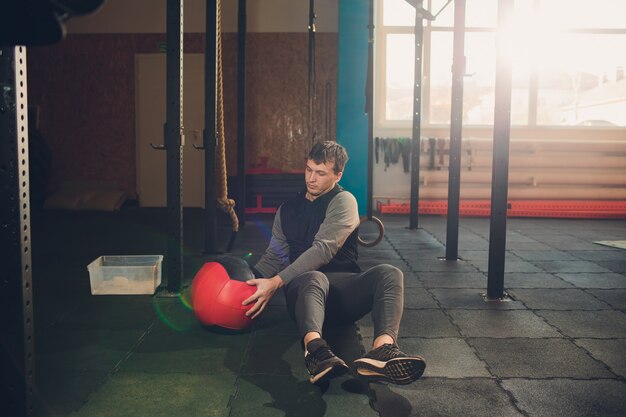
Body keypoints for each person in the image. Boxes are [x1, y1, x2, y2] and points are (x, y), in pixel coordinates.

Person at [242, 141, 426, 385]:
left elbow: (322, 250)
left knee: (390, 273)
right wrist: (242, 281)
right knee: (314, 277)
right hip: (303, 294)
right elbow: (274, 257)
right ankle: (315, 351)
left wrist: (274, 283)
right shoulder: (286, 210)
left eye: (320, 173)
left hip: (341, 296)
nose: (311, 178)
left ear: (338, 175)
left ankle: (383, 350)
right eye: (308, 170)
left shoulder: (343, 201)